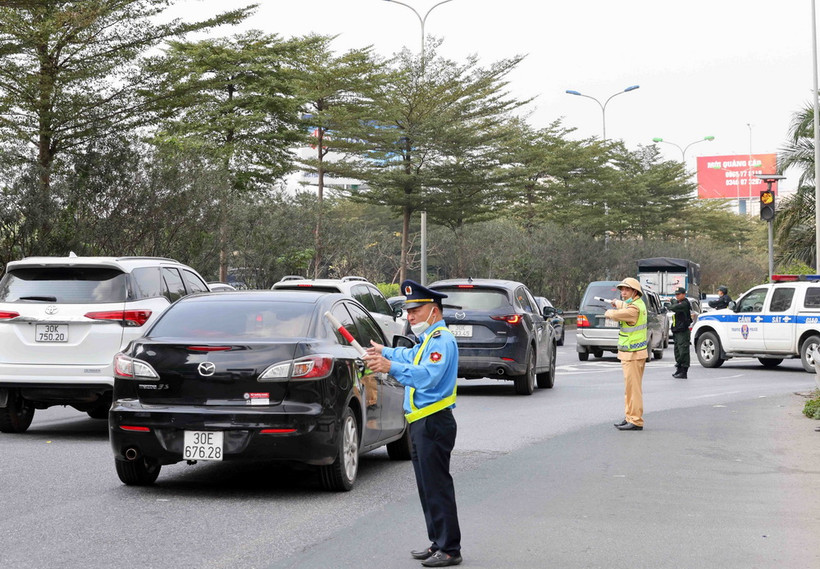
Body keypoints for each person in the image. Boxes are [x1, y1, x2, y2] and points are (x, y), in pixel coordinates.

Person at [362, 279, 462, 568]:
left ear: (434, 310)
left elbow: (427, 375)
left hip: (434, 422)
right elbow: (410, 355)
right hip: (421, 422)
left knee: (437, 486)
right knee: (426, 487)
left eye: (415, 311)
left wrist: (389, 367)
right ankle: (438, 543)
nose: (410, 316)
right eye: (408, 311)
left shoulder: (442, 341)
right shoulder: (428, 340)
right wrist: (384, 351)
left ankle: (450, 548)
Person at [605, 277, 647, 431]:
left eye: (626, 289)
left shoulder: (633, 309)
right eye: (622, 289)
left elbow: (613, 315)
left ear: (635, 292)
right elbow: (624, 304)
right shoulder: (637, 304)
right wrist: (617, 302)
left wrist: (611, 309)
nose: (623, 292)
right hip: (631, 354)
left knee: (633, 389)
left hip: (633, 354)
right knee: (629, 389)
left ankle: (635, 420)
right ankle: (629, 416)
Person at [668, 287, 693, 379]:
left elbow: (674, 307)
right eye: (676, 295)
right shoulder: (679, 302)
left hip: (683, 331)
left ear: (683, 294)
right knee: (678, 351)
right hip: (677, 331)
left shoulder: (684, 304)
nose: (677, 296)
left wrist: (671, 303)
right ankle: (679, 369)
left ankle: (684, 371)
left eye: (679, 294)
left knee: (683, 351)